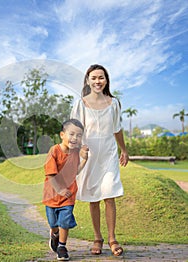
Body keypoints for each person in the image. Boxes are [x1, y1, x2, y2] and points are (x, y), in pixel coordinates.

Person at [70, 64, 129, 256]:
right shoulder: (80, 104)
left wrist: (124, 150)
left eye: (101, 77)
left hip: (109, 154)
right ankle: (98, 238)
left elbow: (117, 129)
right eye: (94, 78)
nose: (97, 81)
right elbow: (75, 130)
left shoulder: (114, 103)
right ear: (88, 80)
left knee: (109, 194)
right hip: (89, 155)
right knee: (93, 197)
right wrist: (77, 150)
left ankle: (112, 239)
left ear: (106, 80)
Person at [43, 119, 89, 261]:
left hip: (68, 194)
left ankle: (62, 246)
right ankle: (54, 234)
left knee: (65, 220)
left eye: (79, 135)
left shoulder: (75, 152)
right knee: (53, 223)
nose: (75, 138)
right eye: (72, 134)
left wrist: (84, 160)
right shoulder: (54, 151)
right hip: (52, 195)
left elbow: (75, 172)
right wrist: (60, 190)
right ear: (62, 135)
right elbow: (50, 174)